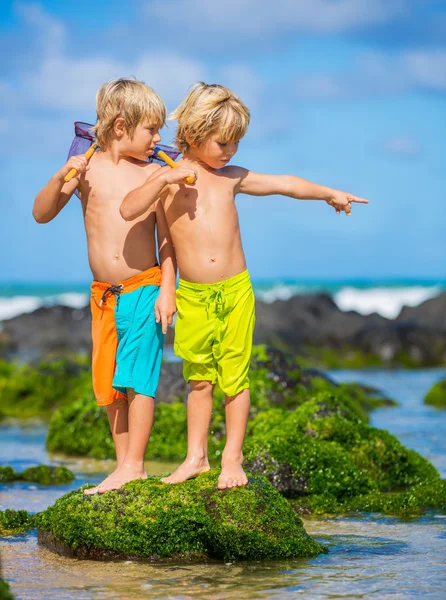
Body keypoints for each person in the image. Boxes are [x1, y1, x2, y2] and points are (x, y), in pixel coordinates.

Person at [120, 82, 368, 490]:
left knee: (235, 377)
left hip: (235, 292)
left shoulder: (230, 178)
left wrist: (329, 193)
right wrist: (165, 181)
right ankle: (196, 458)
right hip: (194, 295)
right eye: (223, 143)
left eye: (236, 143)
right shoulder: (166, 179)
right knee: (198, 380)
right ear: (195, 136)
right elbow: (133, 212)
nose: (231, 151)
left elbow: (285, 184)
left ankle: (232, 458)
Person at [33, 78, 196, 494]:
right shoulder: (87, 168)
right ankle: (123, 466)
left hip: (144, 286)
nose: (159, 138)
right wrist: (60, 178)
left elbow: (166, 239)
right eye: (152, 130)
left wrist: (168, 288)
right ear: (121, 127)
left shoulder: (156, 172)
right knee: (108, 385)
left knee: (137, 379)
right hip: (103, 294)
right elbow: (41, 214)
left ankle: (135, 465)